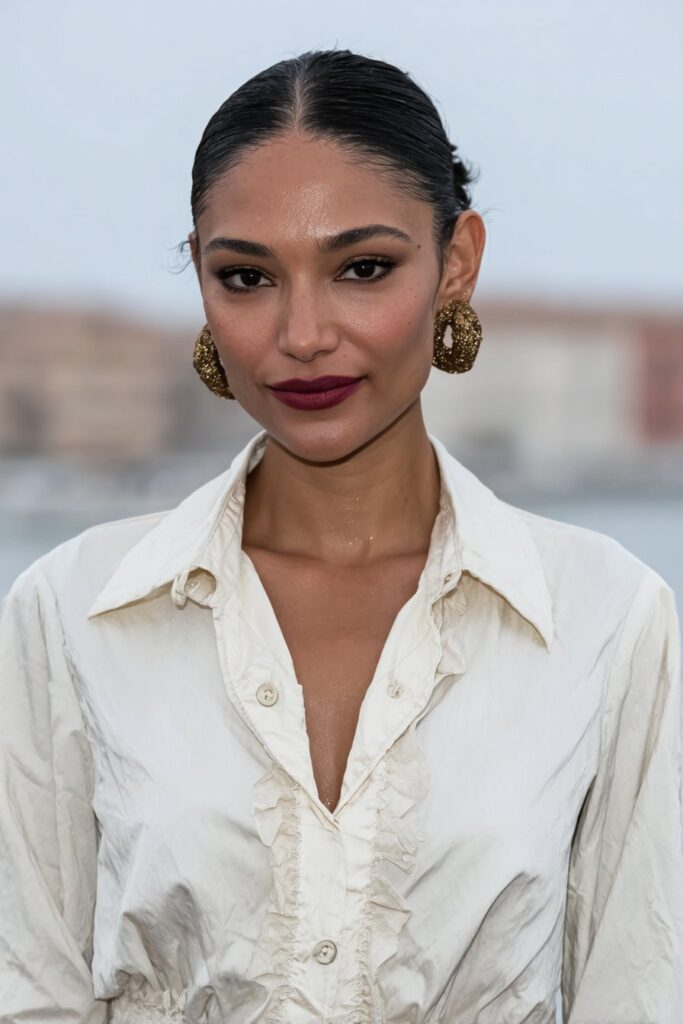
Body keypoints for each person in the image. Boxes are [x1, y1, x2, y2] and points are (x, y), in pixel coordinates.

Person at [1, 47, 681, 1024]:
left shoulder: (607, 617)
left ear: (456, 263)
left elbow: (634, 990)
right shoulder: (69, 613)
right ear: (201, 278)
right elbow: (27, 992)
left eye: (362, 267)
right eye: (247, 276)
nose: (303, 331)